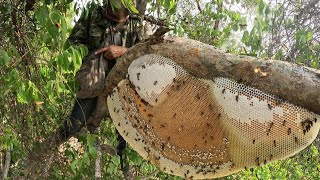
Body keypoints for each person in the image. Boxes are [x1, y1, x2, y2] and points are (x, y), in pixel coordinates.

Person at [59, 0, 143, 174]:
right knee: (74, 123)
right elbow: (73, 43)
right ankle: (48, 149)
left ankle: (124, 169)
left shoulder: (137, 22)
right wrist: (94, 56)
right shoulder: (92, 15)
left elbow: (146, 52)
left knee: (125, 133)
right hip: (94, 81)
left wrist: (123, 51)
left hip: (123, 84)